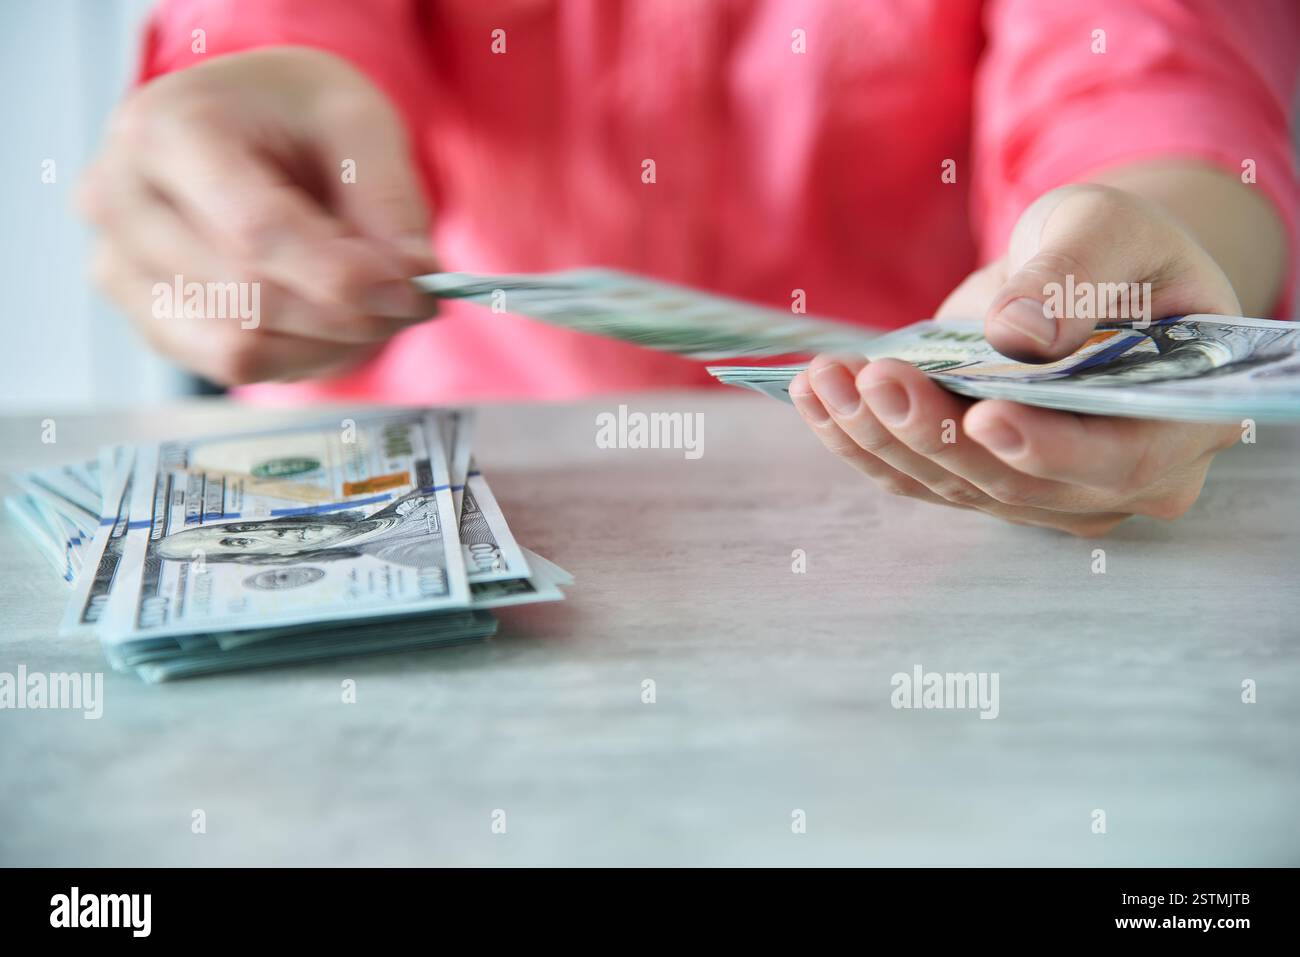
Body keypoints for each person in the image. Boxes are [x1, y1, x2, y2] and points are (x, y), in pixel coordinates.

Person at [77, 0, 1299, 536]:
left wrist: (1162, 248)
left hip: (925, 528)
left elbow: (1147, 78)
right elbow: (271, 36)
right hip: (428, 493)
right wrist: (229, 106)